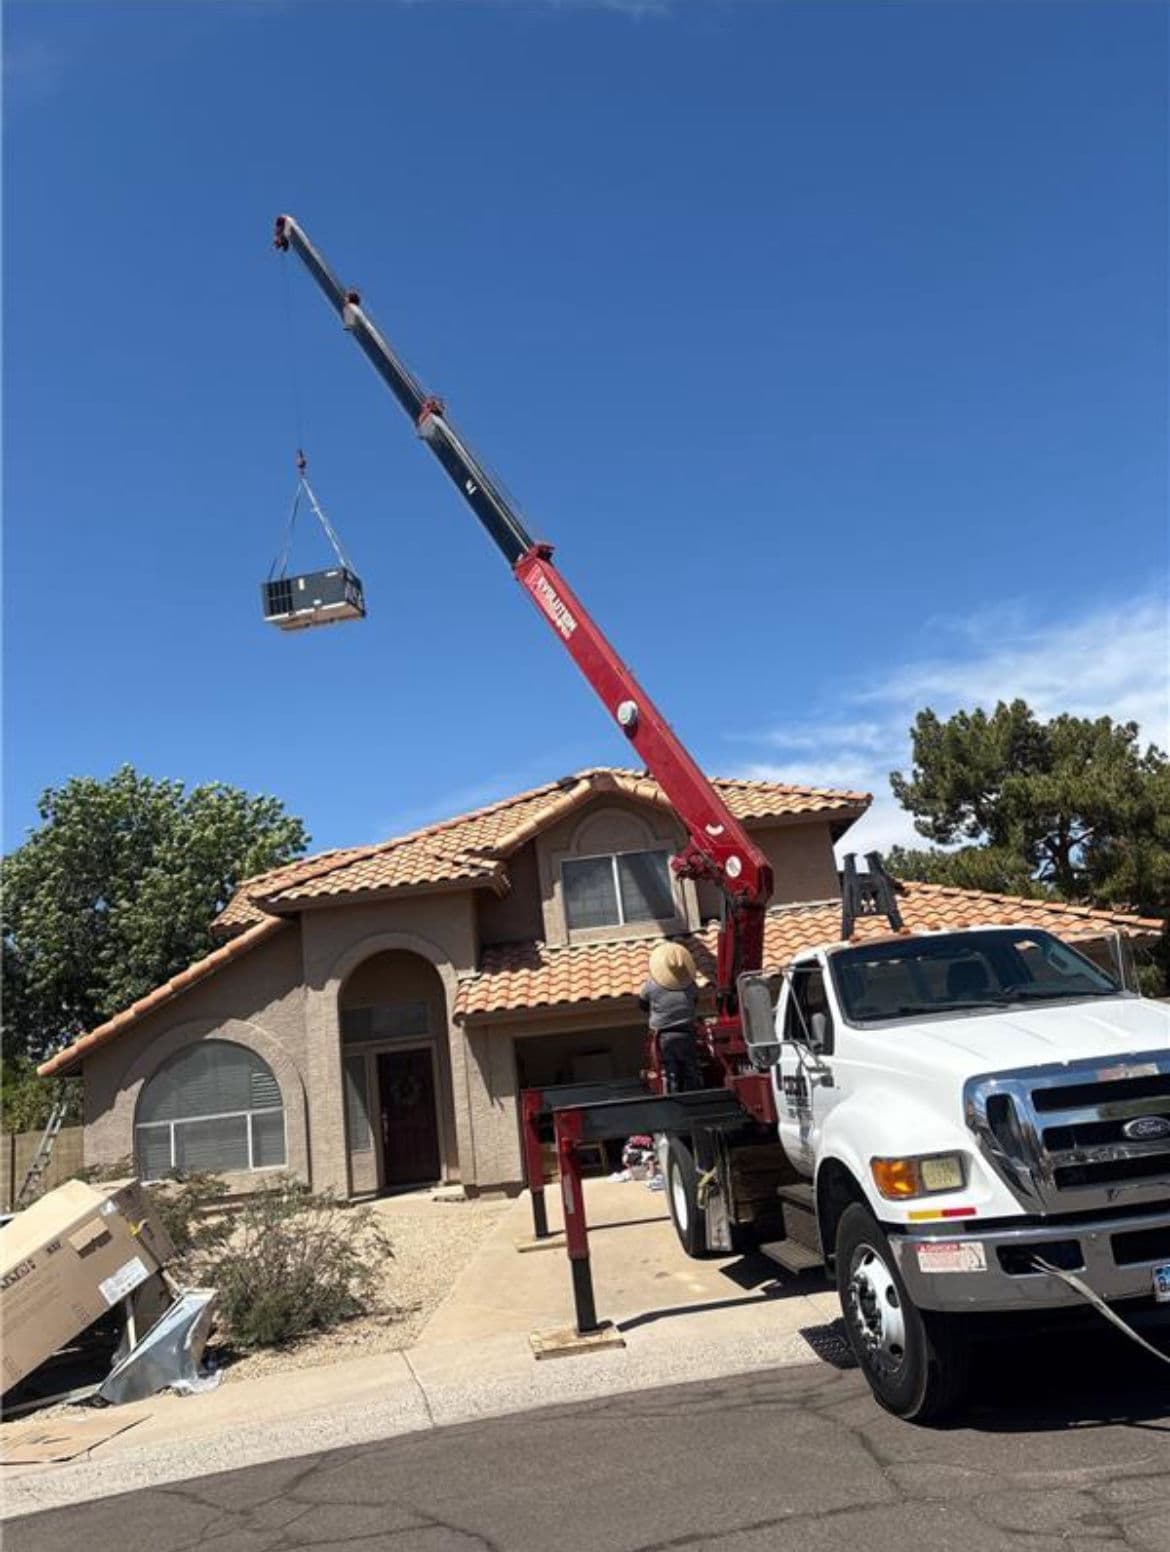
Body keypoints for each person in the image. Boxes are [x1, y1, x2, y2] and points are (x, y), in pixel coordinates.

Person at [639, 942, 704, 1093]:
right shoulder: (690, 985)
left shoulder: (651, 986)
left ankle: (675, 1097)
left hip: (664, 1035)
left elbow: (642, 1005)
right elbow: (694, 1002)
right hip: (688, 1033)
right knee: (691, 1069)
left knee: (671, 1071)